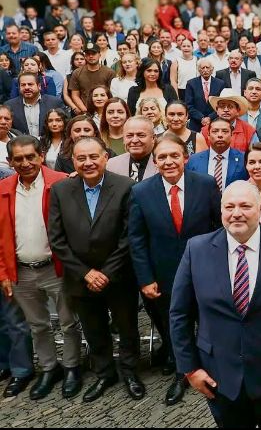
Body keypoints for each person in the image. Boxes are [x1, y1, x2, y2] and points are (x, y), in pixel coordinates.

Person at [170, 180, 261, 428]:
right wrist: (190, 368)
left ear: (260, 209)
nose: (236, 213)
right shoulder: (196, 250)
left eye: (245, 206)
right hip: (220, 373)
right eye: (229, 207)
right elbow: (179, 314)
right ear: (221, 211)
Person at [48, 137, 144, 402]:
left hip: (120, 275)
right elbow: (57, 240)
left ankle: (129, 371)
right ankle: (104, 373)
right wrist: (86, 273)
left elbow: (130, 235)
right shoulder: (60, 191)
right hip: (80, 278)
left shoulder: (126, 187)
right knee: (94, 329)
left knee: (127, 328)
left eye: (93, 157)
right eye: (81, 158)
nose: (88, 163)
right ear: (73, 161)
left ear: (105, 157)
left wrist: (106, 272)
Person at [128, 133, 221, 405]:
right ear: (155, 162)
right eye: (162, 157)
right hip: (163, 275)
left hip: (203, 272)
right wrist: (145, 279)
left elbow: (218, 228)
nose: (168, 162)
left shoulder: (205, 184)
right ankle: (182, 372)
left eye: (174, 156)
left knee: (207, 322)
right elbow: (137, 239)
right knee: (173, 327)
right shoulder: (141, 192)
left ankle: (211, 367)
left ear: (185, 157)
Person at [0, 136, 82, 400]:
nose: (25, 163)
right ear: (10, 162)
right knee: (37, 325)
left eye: (30, 157)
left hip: (56, 268)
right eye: (18, 159)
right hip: (21, 271)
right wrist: (3, 273)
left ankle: (71, 366)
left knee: (68, 322)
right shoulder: (2, 189)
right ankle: (49, 368)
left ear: (41, 155)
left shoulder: (61, 182)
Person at [187, 117, 249, 192]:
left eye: (225, 131)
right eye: (215, 131)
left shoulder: (244, 158)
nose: (220, 135)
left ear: (232, 135)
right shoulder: (194, 160)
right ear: (208, 135)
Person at [6, 72, 64, 137]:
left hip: (48, 144)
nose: (26, 87)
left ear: (39, 86)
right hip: (21, 145)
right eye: (23, 85)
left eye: (30, 84)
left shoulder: (54, 103)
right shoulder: (10, 105)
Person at [201, 88, 256, 153]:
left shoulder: (248, 130)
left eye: (230, 106)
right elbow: (201, 157)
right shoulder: (205, 131)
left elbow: (255, 154)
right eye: (222, 106)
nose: (226, 110)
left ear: (238, 110)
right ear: (217, 110)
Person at [106, 116, 158, 182]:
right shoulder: (112, 165)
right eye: (129, 136)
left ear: (153, 138)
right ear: (123, 139)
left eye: (141, 135)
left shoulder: (162, 164)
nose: (134, 140)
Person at [69, 43, 116, 115]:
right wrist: (85, 110)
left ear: (99, 55)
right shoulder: (77, 73)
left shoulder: (109, 72)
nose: (91, 56)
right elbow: (75, 95)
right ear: (85, 56)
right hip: (84, 111)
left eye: (93, 53)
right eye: (88, 54)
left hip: (105, 111)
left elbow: (112, 94)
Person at [185, 59, 226, 132]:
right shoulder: (191, 83)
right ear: (199, 70)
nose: (205, 70)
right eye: (202, 68)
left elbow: (221, 105)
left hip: (215, 122)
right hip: (195, 124)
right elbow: (189, 105)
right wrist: (201, 118)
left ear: (212, 69)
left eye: (207, 67)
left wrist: (210, 117)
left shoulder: (220, 83)